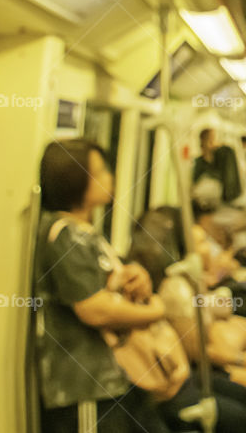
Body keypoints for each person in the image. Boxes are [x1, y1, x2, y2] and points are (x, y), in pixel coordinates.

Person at [34, 139, 170, 433]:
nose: (109, 177)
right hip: (84, 384)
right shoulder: (65, 235)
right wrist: (156, 312)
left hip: (108, 377)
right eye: (98, 172)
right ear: (73, 181)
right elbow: (94, 309)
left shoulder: (84, 231)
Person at [125, 208, 246, 433]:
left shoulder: (191, 281)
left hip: (185, 370)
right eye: (202, 243)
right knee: (243, 400)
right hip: (180, 376)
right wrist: (239, 359)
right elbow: (194, 350)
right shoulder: (174, 290)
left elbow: (215, 312)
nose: (208, 249)